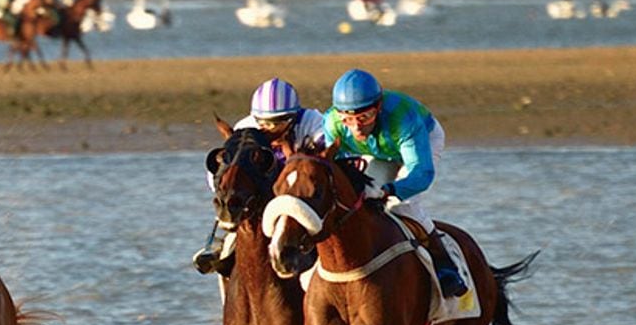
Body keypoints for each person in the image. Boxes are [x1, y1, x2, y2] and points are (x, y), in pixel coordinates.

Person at [323, 68, 467, 298]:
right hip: (380, 151)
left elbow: (421, 175)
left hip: (422, 140)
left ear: (378, 108)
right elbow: (336, 171)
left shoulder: (402, 119)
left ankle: (446, 266)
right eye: (347, 119)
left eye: (364, 118)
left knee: (401, 205)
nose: (356, 127)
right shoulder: (332, 124)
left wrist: (390, 190)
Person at [192, 77, 328, 275]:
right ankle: (222, 250)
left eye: (276, 123)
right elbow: (219, 178)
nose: (268, 129)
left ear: (293, 117)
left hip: (305, 198)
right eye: (262, 122)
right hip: (260, 199)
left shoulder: (316, 125)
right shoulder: (245, 128)